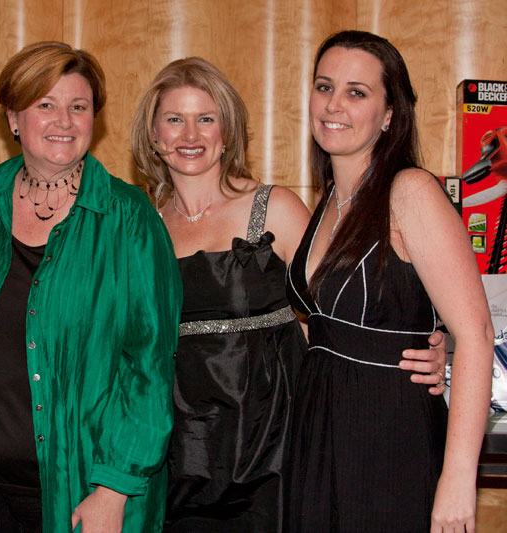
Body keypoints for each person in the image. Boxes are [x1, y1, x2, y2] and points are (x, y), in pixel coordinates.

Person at [130, 57, 451, 532]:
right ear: (154, 135)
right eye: (175, 119)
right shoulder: (142, 226)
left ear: (227, 130)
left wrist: (433, 344)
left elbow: (346, 305)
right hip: (182, 451)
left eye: (206, 118)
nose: (190, 134)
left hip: (276, 445)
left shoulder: (275, 208)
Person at [0, 41, 181, 533]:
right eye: (45, 104)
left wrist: (114, 488)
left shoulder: (129, 219)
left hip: (83, 493)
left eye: (78, 106)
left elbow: (150, 367)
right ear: (13, 119)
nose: (64, 120)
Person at [286, 30, 493, 531]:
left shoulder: (410, 191)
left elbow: (477, 334)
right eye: (324, 86)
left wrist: (457, 478)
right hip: (318, 432)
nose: (334, 104)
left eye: (356, 92)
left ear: (389, 115)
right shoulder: (328, 200)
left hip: (389, 435)